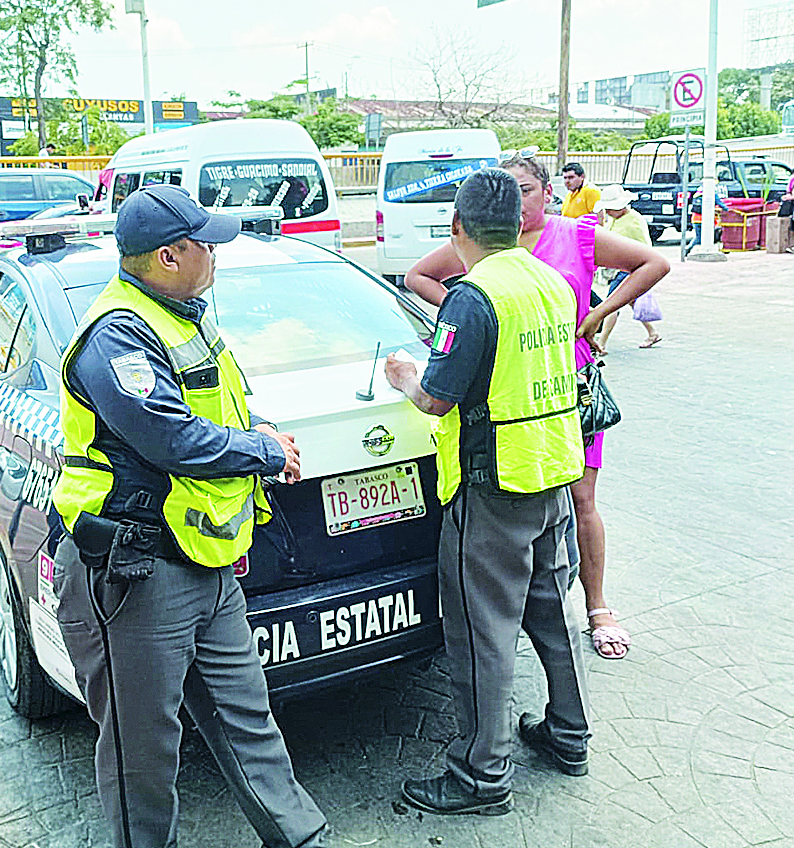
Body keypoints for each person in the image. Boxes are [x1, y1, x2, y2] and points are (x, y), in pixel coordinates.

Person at [51, 184, 326, 848]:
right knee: (142, 750)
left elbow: (217, 406)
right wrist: (261, 450)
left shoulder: (185, 314)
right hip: (134, 570)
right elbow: (168, 436)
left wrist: (258, 428)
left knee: (247, 720)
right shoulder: (117, 333)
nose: (215, 252)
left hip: (202, 562)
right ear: (169, 256)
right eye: (205, 242)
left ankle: (299, 836)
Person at [406, 157, 670, 661]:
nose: (517, 201)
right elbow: (420, 276)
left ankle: (596, 606)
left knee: (581, 500)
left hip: (568, 386)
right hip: (506, 396)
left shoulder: (576, 236)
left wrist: (596, 314)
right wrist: (470, 323)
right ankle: (543, 618)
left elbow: (654, 263)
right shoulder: (482, 246)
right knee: (531, 516)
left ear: (547, 193)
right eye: (509, 192)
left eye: (525, 189)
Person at [386, 169, 590, 815]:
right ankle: (567, 733)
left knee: (482, 632)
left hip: (492, 485)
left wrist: (403, 377)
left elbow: (436, 398)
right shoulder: (552, 285)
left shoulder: (470, 298)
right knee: (553, 612)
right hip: (553, 473)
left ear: (457, 230)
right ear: (519, 224)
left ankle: (480, 774)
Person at [594, 186, 662, 350]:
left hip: (631, 268)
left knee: (612, 304)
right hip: (624, 267)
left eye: (610, 209)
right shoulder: (617, 219)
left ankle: (601, 344)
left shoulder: (632, 221)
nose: (608, 212)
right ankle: (653, 333)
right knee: (630, 300)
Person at [682, 179, 729, 258]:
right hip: (706, 220)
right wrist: (728, 209)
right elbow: (721, 204)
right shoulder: (711, 193)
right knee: (702, 237)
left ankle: (688, 249)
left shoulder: (697, 193)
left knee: (699, 237)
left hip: (695, 218)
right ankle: (688, 249)